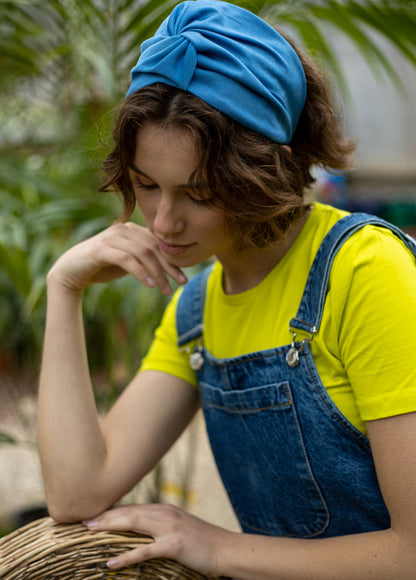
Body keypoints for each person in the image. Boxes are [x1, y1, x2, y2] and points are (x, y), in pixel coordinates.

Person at [37, 1, 416, 577]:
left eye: (200, 193)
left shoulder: (366, 270)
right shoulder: (197, 307)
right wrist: (64, 288)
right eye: (146, 185)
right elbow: (77, 494)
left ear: (265, 171)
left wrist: (215, 548)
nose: (163, 222)